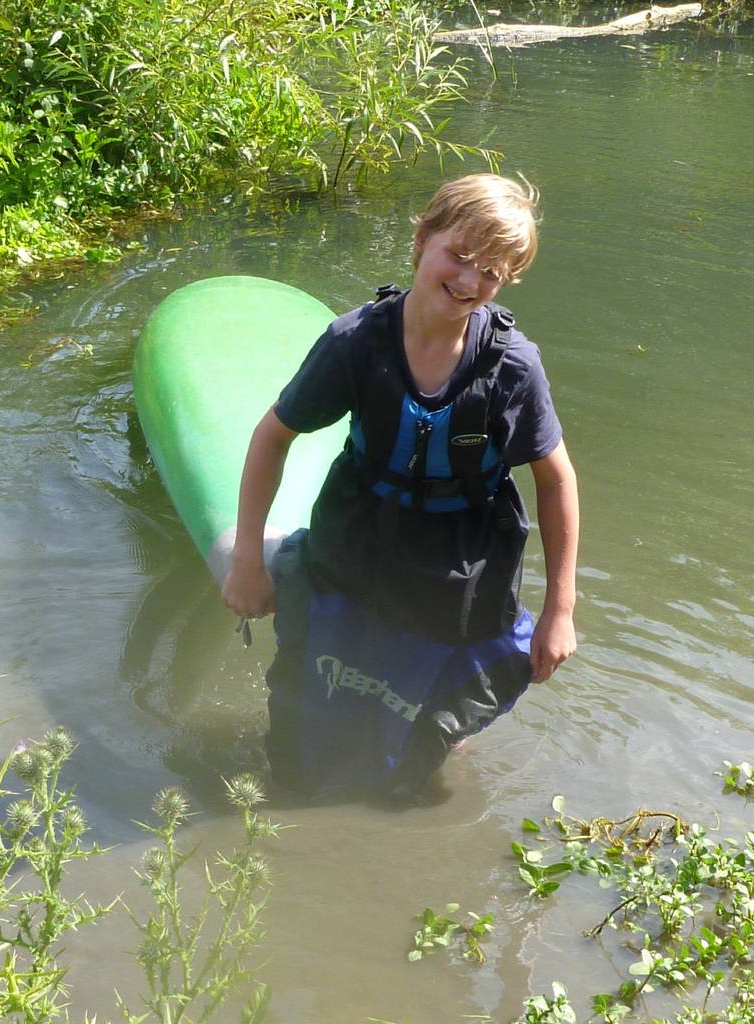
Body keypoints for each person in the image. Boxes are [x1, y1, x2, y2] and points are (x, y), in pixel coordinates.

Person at [222, 173, 579, 801]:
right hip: (360, 543)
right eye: (460, 257)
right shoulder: (355, 341)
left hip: (460, 567)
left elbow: (555, 482)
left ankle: (424, 764)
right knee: (317, 711)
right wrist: (248, 561)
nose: (470, 281)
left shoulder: (514, 367)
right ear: (421, 239)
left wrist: (560, 610)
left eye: (491, 272)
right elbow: (272, 438)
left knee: (438, 720)